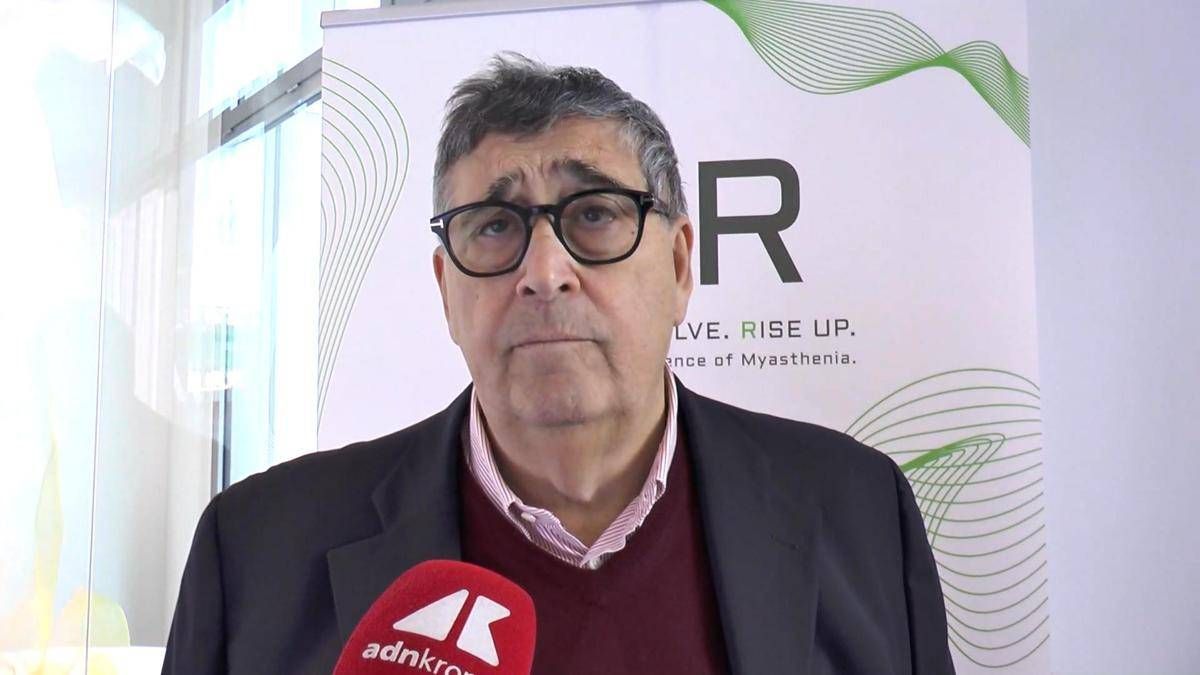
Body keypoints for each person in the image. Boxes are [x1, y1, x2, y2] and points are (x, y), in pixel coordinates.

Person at [162, 53, 955, 675]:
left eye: (595, 214)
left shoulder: (858, 511)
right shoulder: (258, 554)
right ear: (445, 289)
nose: (544, 272)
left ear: (681, 265)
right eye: (494, 225)